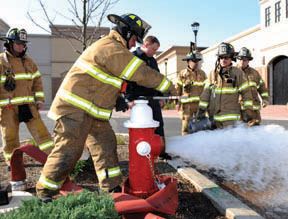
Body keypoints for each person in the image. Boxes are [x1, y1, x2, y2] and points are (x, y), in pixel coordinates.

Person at [36, 13, 177, 202]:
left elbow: (106, 79)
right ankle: (45, 192)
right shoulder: (111, 47)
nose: (135, 44)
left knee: (106, 145)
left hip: (92, 110)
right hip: (74, 108)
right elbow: (139, 72)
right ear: (126, 33)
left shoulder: (114, 48)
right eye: (135, 38)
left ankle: (111, 188)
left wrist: (117, 96)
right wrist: (167, 85)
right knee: (69, 150)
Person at [0, 28, 54, 171]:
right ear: (10, 43)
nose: (21, 46)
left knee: (42, 134)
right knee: (9, 137)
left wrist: (40, 99)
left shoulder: (30, 62)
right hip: (8, 108)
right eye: (18, 43)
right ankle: (13, 163)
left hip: (29, 106)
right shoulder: (1, 62)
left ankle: (52, 160)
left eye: (23, 44)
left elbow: (37, 81)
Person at [124, 35, 170, 159]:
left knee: (158, 125)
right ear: (145, 45)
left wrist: (160, 96)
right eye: (153, 49)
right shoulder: (134, 57)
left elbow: (157, 79)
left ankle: (161, 152)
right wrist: (129, 98)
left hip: (153, 99)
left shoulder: (153, 60)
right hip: (139, 102)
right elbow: (127, 79)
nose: (155, 52)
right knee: (143, 128)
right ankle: (143, 153)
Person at [197, 42, 255, 129]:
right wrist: (201, 109)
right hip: (214, 119)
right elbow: (206, 94)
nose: (223, 60)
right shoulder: (212, 74)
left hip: (230, 120)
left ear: (231, 58)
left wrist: (247, 110)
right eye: (221, 57)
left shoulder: (237, 73)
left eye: (226, 57)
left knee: (229, 142)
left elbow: (246, 93)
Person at [176, 51, 207, 135]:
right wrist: (177, 103)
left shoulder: (202, 74)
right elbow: (177, 89)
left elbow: (207, 89)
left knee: (200, 127)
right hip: (187, 106)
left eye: (197, 61)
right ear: (188, 61)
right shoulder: (182, 74)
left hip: (199, 105)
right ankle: (185, 145)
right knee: (185, 128)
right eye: (194, 61)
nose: (196, 63)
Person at [237, 47, 269, 126]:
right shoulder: (233, 72)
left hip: (254, 109)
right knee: (239, 131)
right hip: (239, 109)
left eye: (245, 60)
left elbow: (262, 87)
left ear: (248, 60)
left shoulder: (255, 73)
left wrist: (265, 99)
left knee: (255, 130)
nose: (242, 61)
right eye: (240, 59)